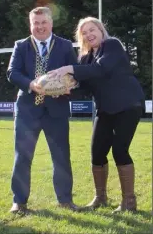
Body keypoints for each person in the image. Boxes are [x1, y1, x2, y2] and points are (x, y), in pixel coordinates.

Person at [47, 16, 145, 213]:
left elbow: (102, 69)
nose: (89, 34)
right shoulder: (85, 58)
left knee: (119, 149)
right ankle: (100, 198)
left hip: (128, 105)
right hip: (105, 109)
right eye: (84, 33)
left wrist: (69, 68)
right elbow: (83, 88)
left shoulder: (112, 45)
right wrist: (61, 89)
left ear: (101, 31)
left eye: (92, 30)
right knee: (97, 152)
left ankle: (129, 202)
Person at [7, 7, 79, 214]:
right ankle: (19, 202)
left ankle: (65, 200)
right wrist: (31, 84)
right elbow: (12, 72)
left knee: (61, 156)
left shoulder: (65, 46)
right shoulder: (21, 46)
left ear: (51, 23)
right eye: (35, 23)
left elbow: (76, 75)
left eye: (43, 22)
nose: (39, 27)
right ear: (31, 25)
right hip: (27, 110)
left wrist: (66, 88)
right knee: (22, 157)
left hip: (56, 110)